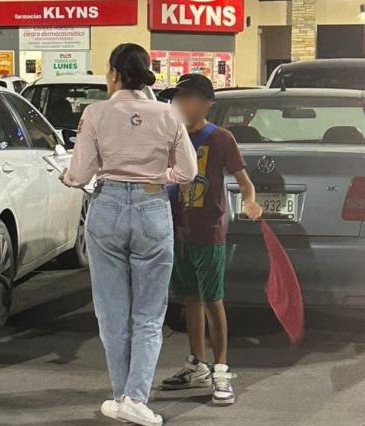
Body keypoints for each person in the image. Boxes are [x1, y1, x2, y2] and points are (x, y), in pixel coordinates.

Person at [61, 44, 197, 426]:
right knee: (149, 315)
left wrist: (69, 178)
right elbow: (186, 173)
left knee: (111, 312)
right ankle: (134, 398)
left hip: (106, 209)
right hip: (153, 208)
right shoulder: (168, 114)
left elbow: (80, 173)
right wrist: (158, 178)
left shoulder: (96, 113)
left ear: (115, 74)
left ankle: (123, 394)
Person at [159, 74, 262, 405]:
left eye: (187, 97)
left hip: (208, 231)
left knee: (212, 299)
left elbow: (244, 181)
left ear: (206, 102)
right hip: (178, 229)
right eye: (177, 98)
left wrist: (248, 201)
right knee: (190, 298)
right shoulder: (170, 137)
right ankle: (196, 363)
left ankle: (220, 370)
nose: (180, 104)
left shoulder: (220, 138)